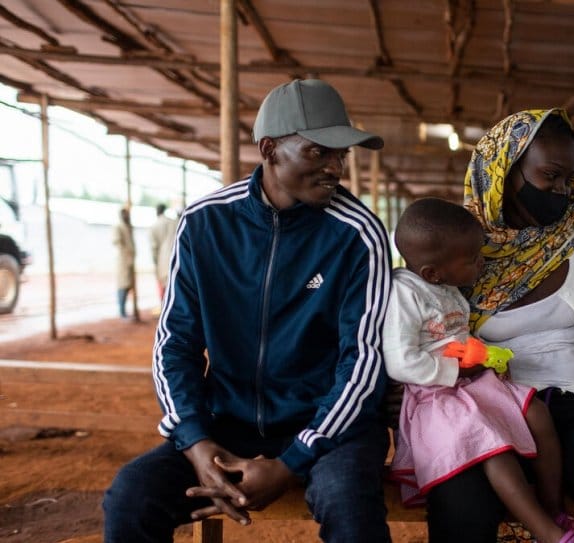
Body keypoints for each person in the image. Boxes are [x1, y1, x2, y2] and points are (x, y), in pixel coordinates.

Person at [102, 79, 393, 543]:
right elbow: (174, 346)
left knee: (348, 502)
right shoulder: (203, 224)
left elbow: (363, 361)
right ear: (269, 148)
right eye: (320, 152)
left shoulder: (359, 234)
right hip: (227, 425)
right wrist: (196, 443)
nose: (337, 167)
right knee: (131, 499)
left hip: (328, 428)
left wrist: (292, 462)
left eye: (343, 155)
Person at [423, 109, 574, 543]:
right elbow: (419, 326)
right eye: (550, 177)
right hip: (491, 404)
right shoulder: (459, 245)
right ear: (506, 170)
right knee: (459, 509)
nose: (562, 191)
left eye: (568, 179)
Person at [383, 197, 574, 543]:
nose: (481, 263)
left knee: (538, 414)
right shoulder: (404, 296)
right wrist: (456, 371)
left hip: (472, 383)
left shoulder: (447, 287)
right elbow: (401, 361)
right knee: (492, 446)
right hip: (437, 395)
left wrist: (483, 360)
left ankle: (552, 506)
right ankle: (546, 532)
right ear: (431, 272)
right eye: (472, 259)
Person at [149, 203, 177, 301]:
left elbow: (154, 248)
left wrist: (156, 264)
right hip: (177, 258)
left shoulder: (154, 226)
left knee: (165, 291)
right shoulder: (175, 222)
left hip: (163, 261)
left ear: (157, 211)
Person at [112, 206, 135, 318]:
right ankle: (122, 312)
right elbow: (117, 242)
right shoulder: (118, 227)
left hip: (129, 260)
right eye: (125, 214)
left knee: (128, 285)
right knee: (123, 285)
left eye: (127, 214)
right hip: (123, 260)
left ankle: (124, 311)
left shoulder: (128, 227)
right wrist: (126, 253)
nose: (127, 216)